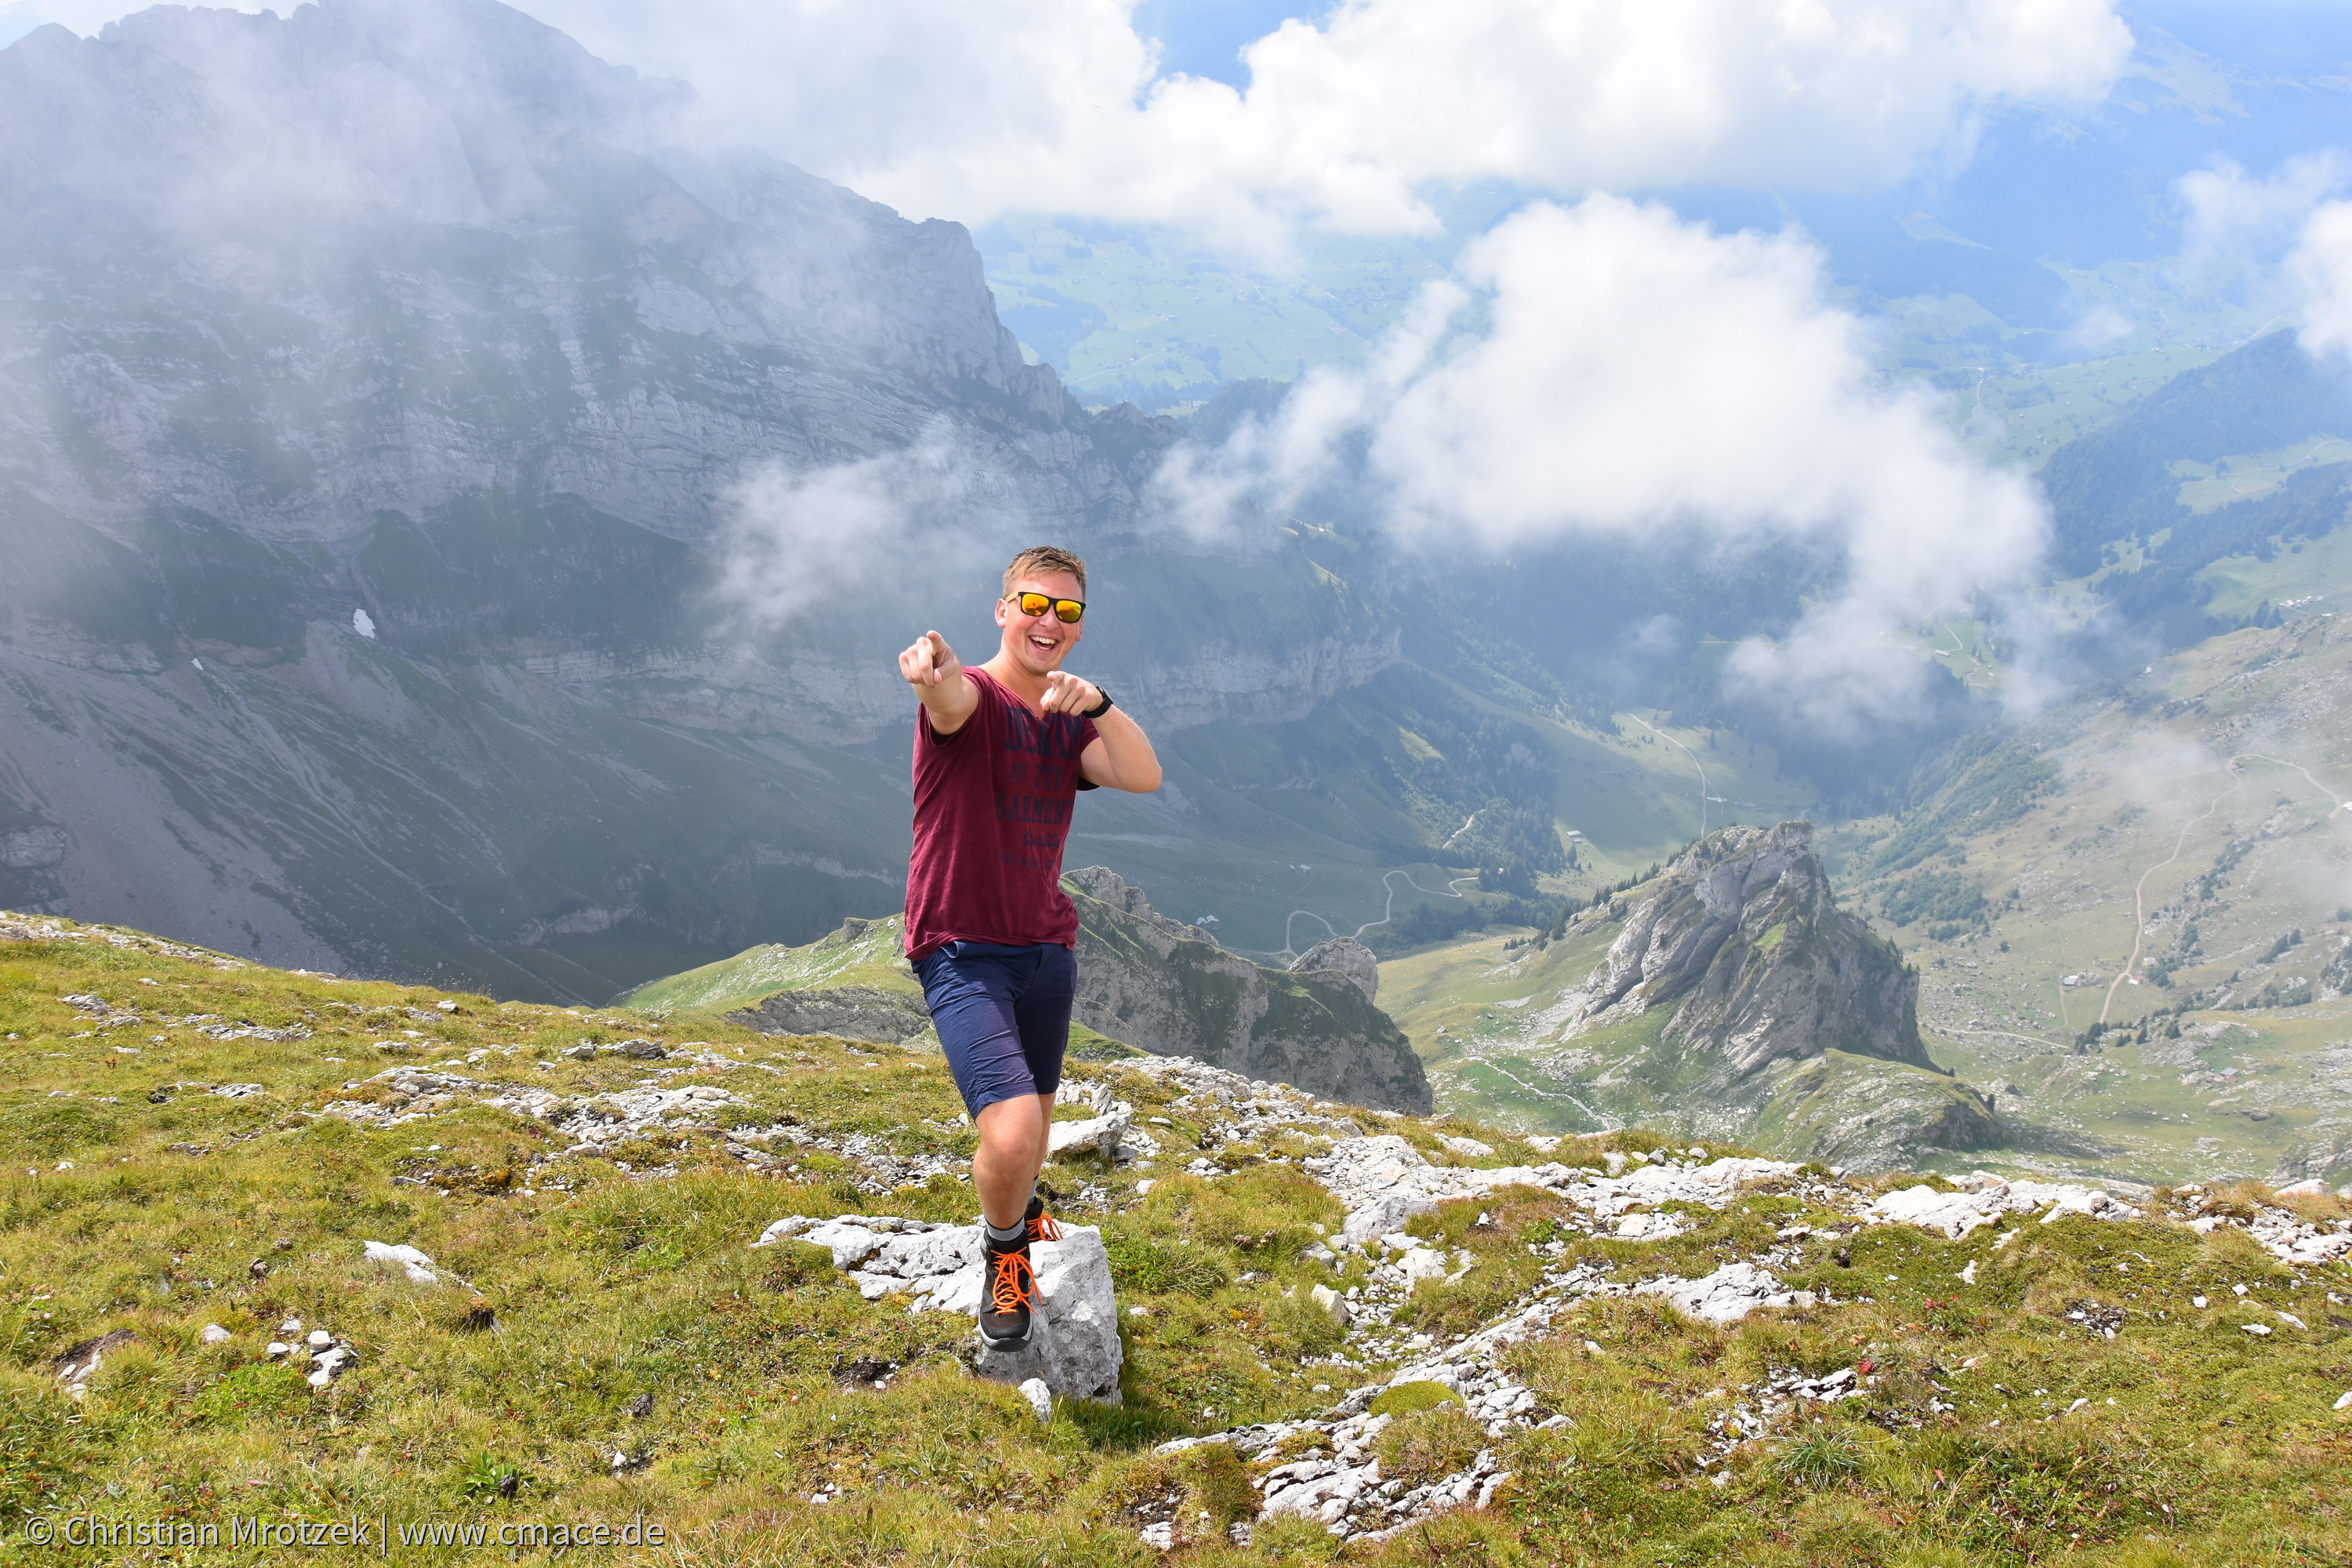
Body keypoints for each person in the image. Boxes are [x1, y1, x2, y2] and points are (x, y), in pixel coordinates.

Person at [896, 546, 1162, 1350]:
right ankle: (1005, 1252)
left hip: (1045, 947)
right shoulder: (972, 696)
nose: (1049, 621)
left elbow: (1143, 775)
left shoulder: (1064, 719)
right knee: (1009, 1134)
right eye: (1034, 603)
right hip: (961, 946)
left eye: (1068, 611)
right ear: (1002, 608)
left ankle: (1024, 1200)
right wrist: (929, 672)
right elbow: (947, 701)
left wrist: (1102, 706)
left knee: (1035, 1131)